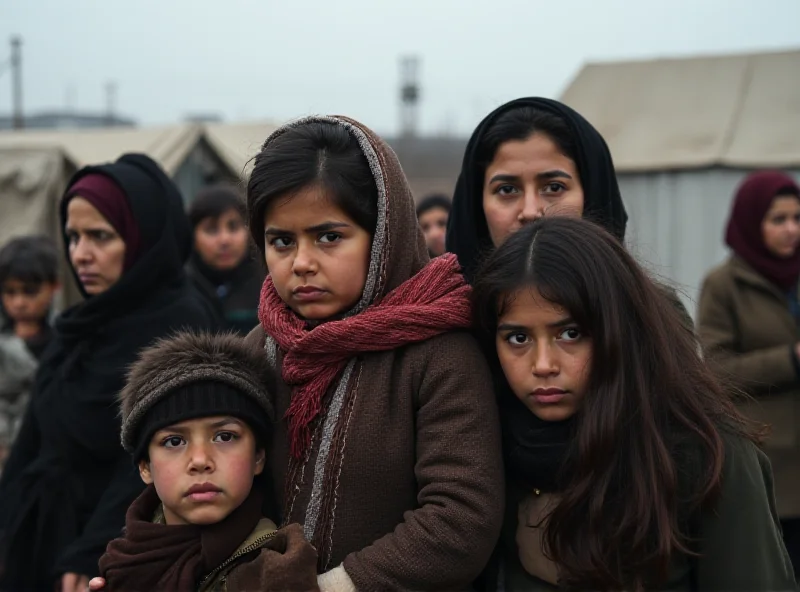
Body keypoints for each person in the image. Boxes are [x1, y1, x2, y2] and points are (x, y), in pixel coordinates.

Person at [244, 116, 504, 591]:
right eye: (281, 240)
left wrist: (334, 586)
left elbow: (460, 518)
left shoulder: (439, 353)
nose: (301, 262)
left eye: (329, 237)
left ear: (384, 235)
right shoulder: (261, 346)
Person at [472, 216, 795, 591]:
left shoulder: (704, 453)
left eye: (571, 333)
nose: (543, 365)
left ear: (618, 330)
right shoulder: (483, 452)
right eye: (517, 338)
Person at [0, 154, 217, 592]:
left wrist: (92, 549)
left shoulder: (180, 327)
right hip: (38, 535)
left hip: (109, 552)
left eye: (101, 236)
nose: (81, 254)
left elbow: (149, 459)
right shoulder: (78, 328)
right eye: (73, 236)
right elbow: (35, 438)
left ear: (143, 239)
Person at [96, 331, 319, 592]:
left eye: (225, 436)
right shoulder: (122, 563)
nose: (200, 460)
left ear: (258, 456)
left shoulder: (276, 570)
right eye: (174, 442)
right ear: (145, 466)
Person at [697, 170, 800, 577]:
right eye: (778, 219)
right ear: (750, 222)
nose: (791, 229)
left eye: (797, 218)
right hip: (770, 468)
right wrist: (790, 360)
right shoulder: (724, 286)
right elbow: (718, 371)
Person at [0, 236, 59, 467]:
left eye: (30, 291)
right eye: (10, 292)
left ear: (54, 286)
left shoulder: (65, 342)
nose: (19, 302)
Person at [186, 185, 265, 335]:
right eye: (211, 230)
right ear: (192, 237)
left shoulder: (268, 288)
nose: (224, 240)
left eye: (233, 227)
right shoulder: (181, 293)